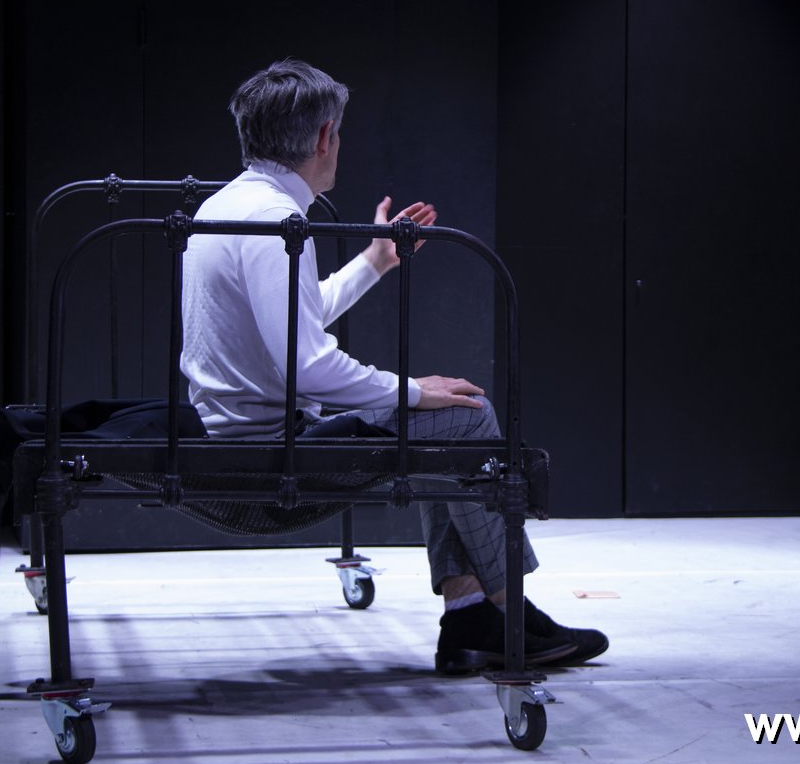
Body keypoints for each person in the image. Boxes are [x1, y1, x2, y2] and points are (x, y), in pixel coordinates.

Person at [180, 58, 608, 671]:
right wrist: (410, 390)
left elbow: (292, 319)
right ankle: (507, 610)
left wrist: (376, 262)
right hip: (274, 444)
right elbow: (309, 366)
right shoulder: (278, 221)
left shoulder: (230, 206)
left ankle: (470, 617)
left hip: (238, 430)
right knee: (468, 415)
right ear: (324, 136)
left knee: (443, 426)